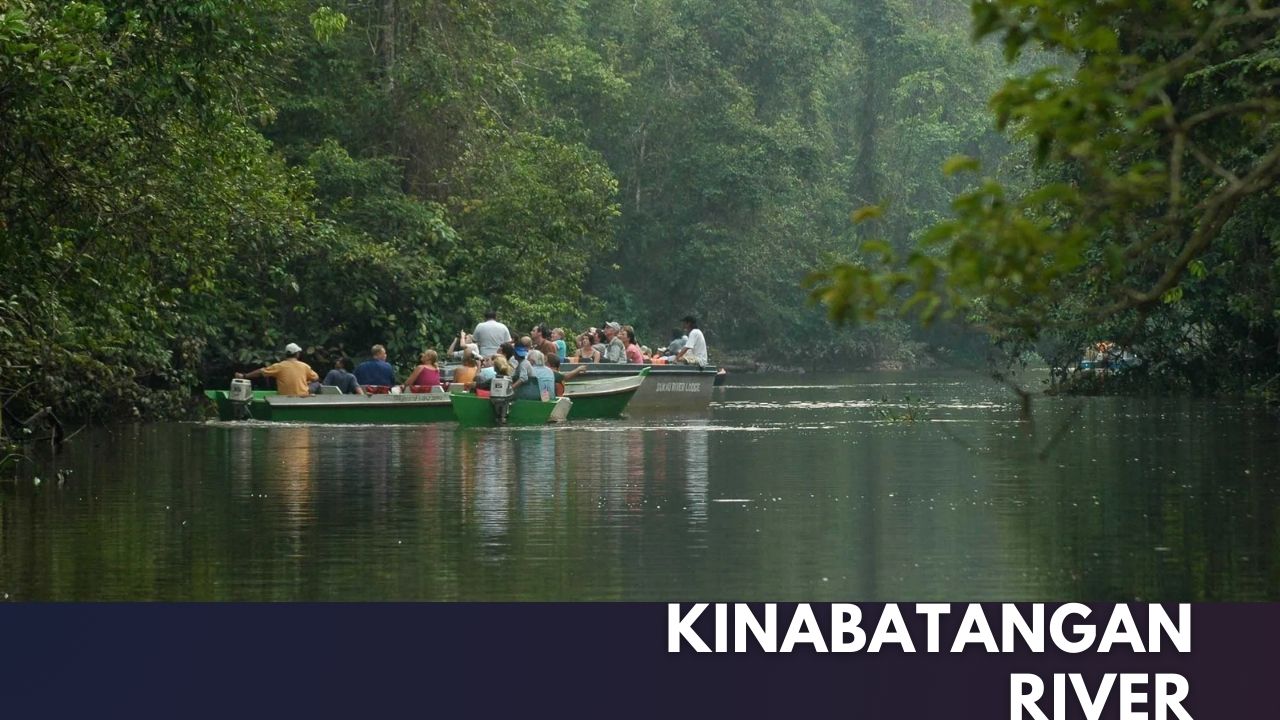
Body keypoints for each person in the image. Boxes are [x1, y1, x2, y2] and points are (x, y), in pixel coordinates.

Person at [236, 342, 318, 397]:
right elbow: (316, 378)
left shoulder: (279, 366)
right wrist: (306, 382)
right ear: (297, 354)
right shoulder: (304, 366)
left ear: (286, 354)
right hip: (302, 397)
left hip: (284, 397)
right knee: (317, 384)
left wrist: (244, 375)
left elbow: (261, 372)